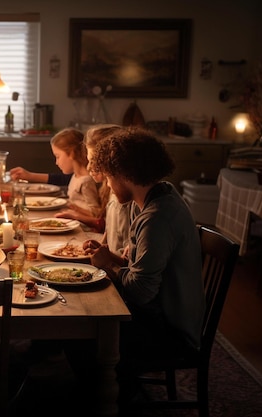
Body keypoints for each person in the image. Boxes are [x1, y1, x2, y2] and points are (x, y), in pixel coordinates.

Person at [83, 126, 205, 405]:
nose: (110, 186)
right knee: (85, 310)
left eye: (110, 177)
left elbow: (140, 292)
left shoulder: (158, 217)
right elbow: (143, 267)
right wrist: (111, 258)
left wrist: (108, 267)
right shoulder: (159, 195)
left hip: (171, 330)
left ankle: (109, 397)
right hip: (159, 313)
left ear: (124, 173)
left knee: (82, 330)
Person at [82, 124, 133, 256]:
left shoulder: (126, 199)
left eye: (93, 161)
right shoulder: (110, 191)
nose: (88, 168)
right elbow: (112, 235)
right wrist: (101, 245)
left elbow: (129, 254)